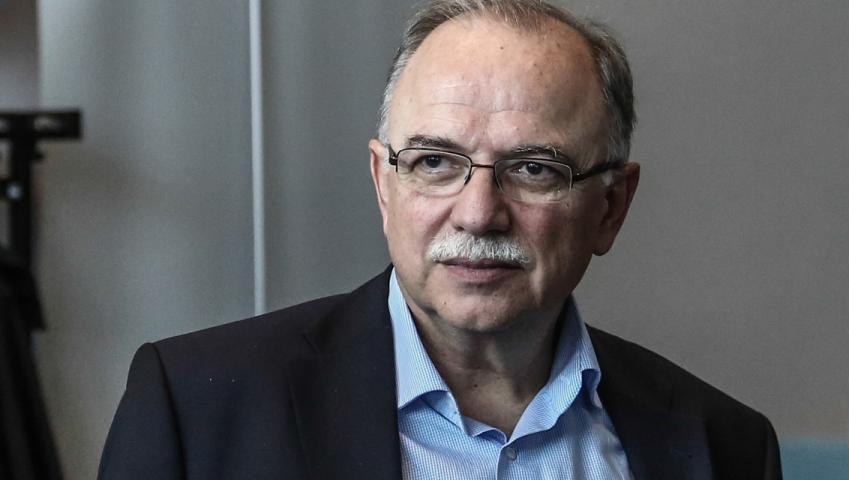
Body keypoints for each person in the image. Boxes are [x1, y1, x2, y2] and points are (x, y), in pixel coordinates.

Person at [98, 1, 781, 479]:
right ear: (383, 184)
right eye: (435, 162)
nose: (478, 214)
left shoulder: (725, 447)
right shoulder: (196, 410)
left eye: (533, 169)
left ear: (611, 207)